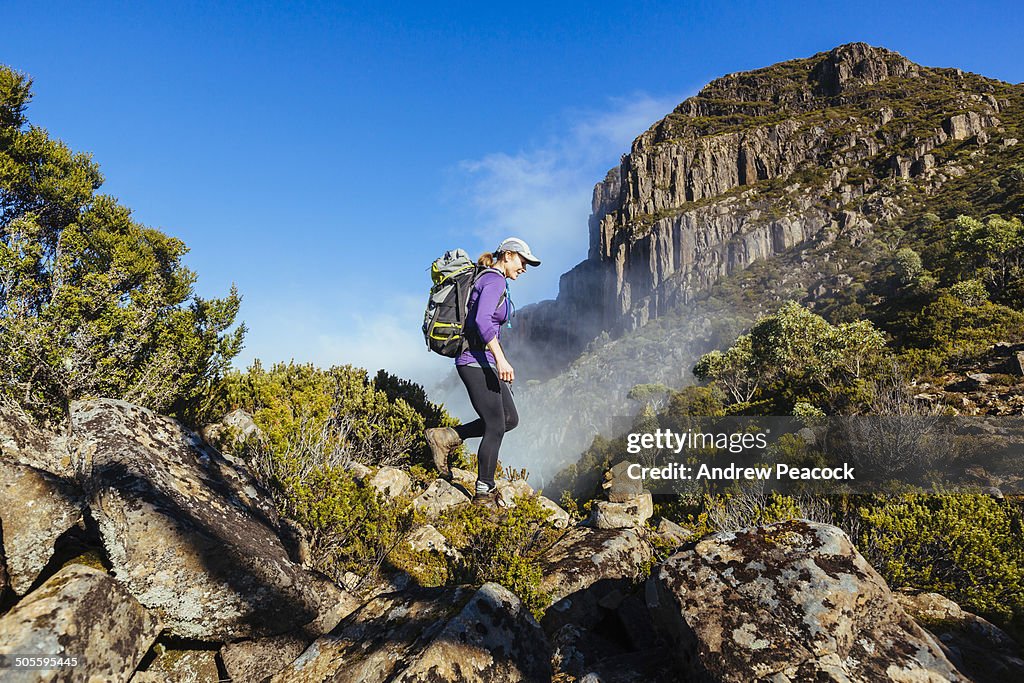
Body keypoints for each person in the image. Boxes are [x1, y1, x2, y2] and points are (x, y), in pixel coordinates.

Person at [425, 237, 541, 507]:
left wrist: (498, 358)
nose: (524, 268)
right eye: (523, 261)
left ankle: (447, 436)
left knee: (510, 419)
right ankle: (484, 493)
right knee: (496, 425)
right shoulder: (494, 279)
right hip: (474, 360)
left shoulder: (495, 280)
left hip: (485, 359)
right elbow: (480, 320)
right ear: (509, 255)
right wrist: (502, 360)